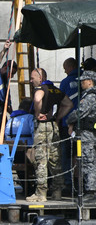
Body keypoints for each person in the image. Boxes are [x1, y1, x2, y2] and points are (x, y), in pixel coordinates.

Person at [26, 68, 73, 202]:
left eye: (32, 77)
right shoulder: (55, 90)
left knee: (41, 159)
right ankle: (57, 191)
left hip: (42, 126)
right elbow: (68, 104)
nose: (30, 81)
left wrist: (37, 113)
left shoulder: (40, 88)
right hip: (54, 127)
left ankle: (41, 193)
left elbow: (37, 98)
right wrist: (58, 117)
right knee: (55, 160)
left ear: (40, 78)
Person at [67, 70, 96, 202]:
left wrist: (69, 120)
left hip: (88, 134)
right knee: (88, 161)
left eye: (84, 81)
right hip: (88, 133)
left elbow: (80, 112)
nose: (81, 83)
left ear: (90, 81)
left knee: (88, 162)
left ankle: (90, 191)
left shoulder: (90, 97)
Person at [59, 57, 80, 192]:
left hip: (68, 124)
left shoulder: (66, 82)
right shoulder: (86, 80)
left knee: (67, 153)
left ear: (70, 67)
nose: (64, 71)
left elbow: (61, 102)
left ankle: (68, 182)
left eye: (65, 68)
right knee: (80, 154)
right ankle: (81, 182)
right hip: (85, 125)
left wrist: (59, 119)